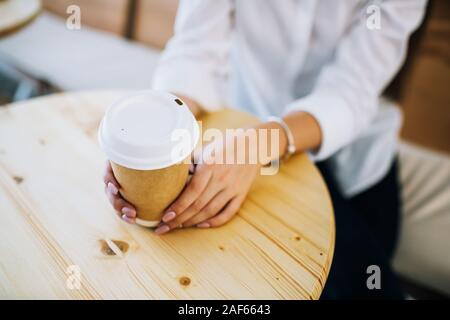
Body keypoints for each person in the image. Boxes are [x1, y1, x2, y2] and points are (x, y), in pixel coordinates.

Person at [103, 0, 427, 298]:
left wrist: (260, 144)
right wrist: (156, 140)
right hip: (242, 135)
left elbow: (351, 90)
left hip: (357, 169)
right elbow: (195, 49)